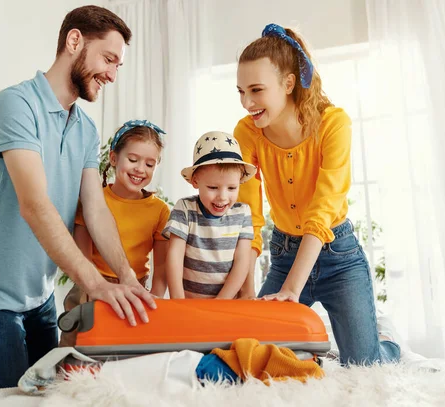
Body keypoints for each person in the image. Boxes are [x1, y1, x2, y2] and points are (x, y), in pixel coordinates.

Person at [0, 6, 156, 388]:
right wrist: (95, 285)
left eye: (119, 65)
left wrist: (126, 276)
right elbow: (34, 205)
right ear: (74, 41)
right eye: (109, 59)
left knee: (48, 383)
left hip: (39, 294)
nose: (113, 74)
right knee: (14, 387)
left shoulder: (84, 128)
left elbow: (95, 210)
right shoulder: (15, 105)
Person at [234, 23, 400, 365]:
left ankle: (384, 340)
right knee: (255, 350)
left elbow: (324, 208)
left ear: (288, 83)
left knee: (363, 364)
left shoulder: (333, 124)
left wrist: (292, 291)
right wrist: (247, 291)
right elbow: (249, 214)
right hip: (284, 256)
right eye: (240, 91)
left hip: (338, 256)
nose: (247, 102)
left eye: (256, 89)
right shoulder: (246, 132)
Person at [60, 120, 170, 346]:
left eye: (150, 164)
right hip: (90, 283)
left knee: (124, 350)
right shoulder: (93, 200)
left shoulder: (160, 210)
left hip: (135, 286)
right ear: (113, 158)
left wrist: (155, 301)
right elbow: (82, 256)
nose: (141, 169)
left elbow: (161, 268)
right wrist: (93, 289)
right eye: (133, 160)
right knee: (77, 345)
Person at [163, 131, 256, 299]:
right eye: (213, 188)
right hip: (189, 303)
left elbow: (242, 261)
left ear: (240, 181)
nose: (223, 197)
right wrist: (178, 300)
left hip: (226, 303)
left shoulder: (243, 213)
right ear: (195, 181)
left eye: (232, 188)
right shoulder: (184, 208)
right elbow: (174, 256)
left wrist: (222, 301)